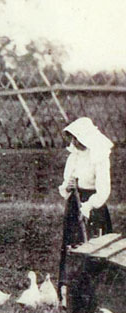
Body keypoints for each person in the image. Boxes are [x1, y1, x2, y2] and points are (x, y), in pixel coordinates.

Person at [57, 117, 113, 296]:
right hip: (75, 203)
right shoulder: (74, 157)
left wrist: (89, 207)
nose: (74, 142)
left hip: (93, 206)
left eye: (78, 138)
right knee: (72, 244)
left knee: (93, 246)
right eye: (72, 138)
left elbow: (104, 190)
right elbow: (65, 185)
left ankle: (94, 290)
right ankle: (70, 290)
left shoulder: (99, 156)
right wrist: (69, 186)